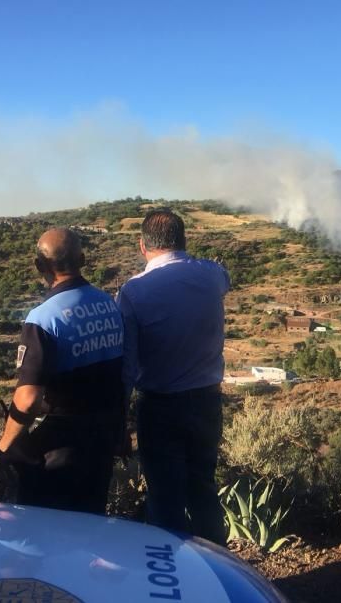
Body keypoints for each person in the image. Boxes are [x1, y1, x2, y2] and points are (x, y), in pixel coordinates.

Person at [117, 209, 230, 544]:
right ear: (183, 240)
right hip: (208, 401)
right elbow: (225, 277)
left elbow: (126, 365)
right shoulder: (213, 275)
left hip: (160, 407)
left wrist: (119, 420)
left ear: (142, 245)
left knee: (165, 499)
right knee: (204, 490)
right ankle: (217, 577)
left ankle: (171, 581)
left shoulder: (133, 292)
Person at [0, 227, 125, 515]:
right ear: (82, 259)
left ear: (39, 266)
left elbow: (28, 399)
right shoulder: (109, 305)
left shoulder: (44, 318)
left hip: (62, 449)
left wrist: (6, 445)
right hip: (103, 440)